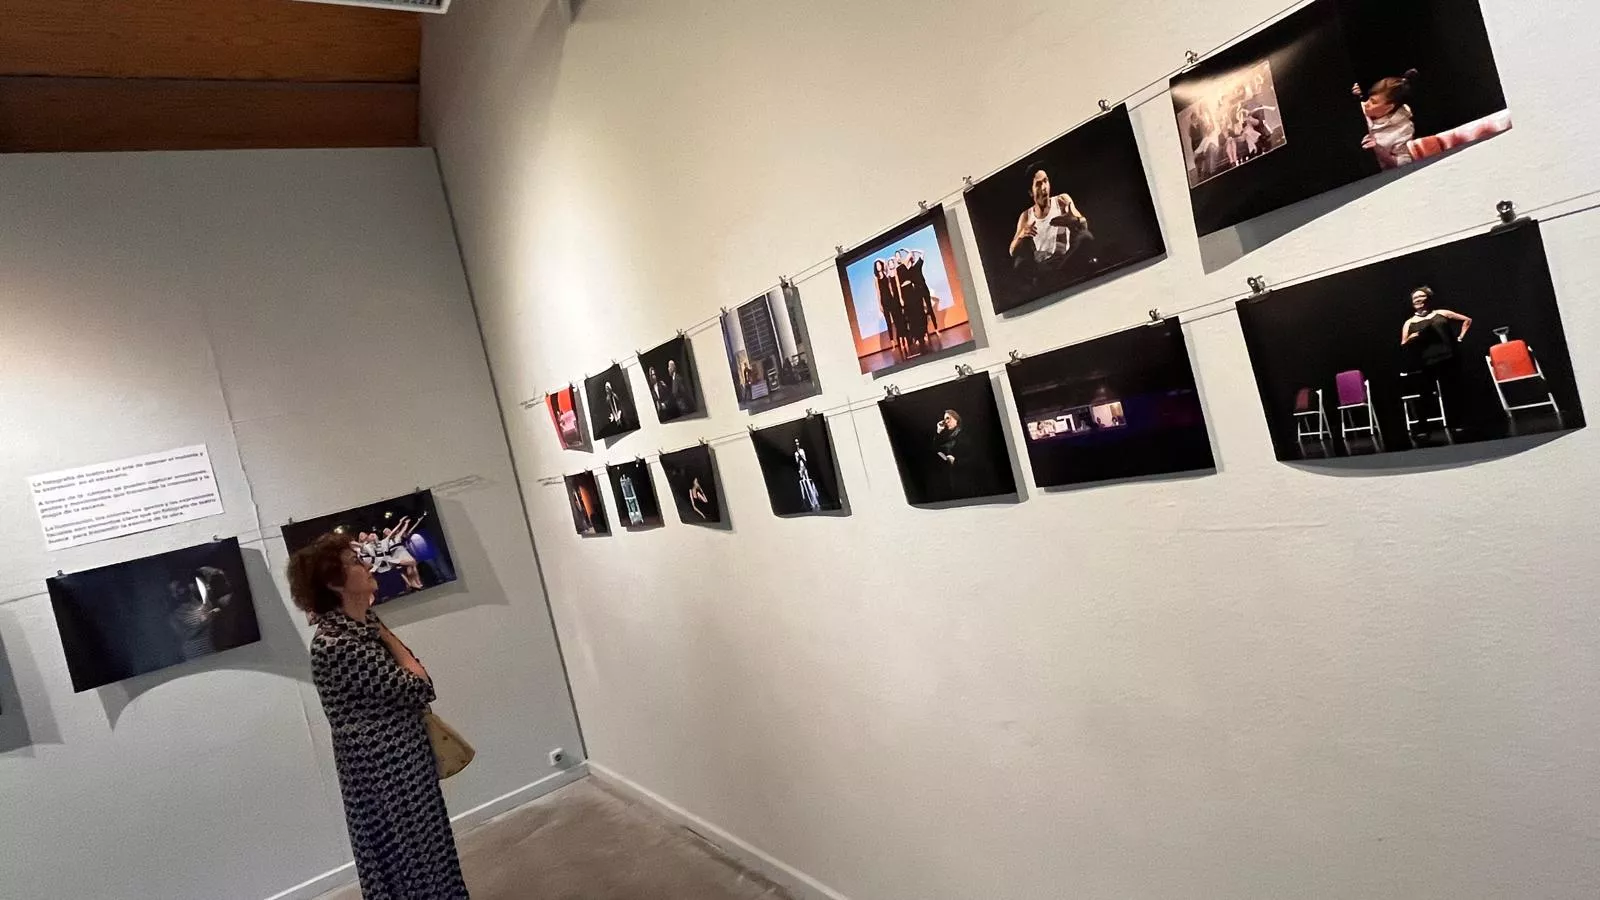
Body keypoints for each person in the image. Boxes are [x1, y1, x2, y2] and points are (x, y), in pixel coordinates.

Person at [289, 532, 470, 900]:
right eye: (355, 563)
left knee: (429, 846)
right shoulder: (338, 644)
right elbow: (420, 685)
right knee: (409, 856)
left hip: (403, 758)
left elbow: (411, 676)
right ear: (332, 582)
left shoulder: (361, 629)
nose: (368, 564)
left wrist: (380, 630)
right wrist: (387, 636)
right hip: (384, 771)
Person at [1400, 285, 1472, 439]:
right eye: (1415, 298)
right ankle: (1423, 428)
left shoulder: (1441, 313)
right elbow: (1404, 343)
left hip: (1448, 358)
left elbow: (1467, 320)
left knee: (1451, 392)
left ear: (1428, 298)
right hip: (1425, 362)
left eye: (1421, 296)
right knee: (1425, 395)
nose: (1418, 300)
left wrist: (1460, 337)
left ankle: (1457, 424)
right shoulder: (1409, 322)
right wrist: (1412, 338)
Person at [1009, 165, 1096, 289]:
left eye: (1046, 181)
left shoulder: (1061, 200)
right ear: (1031, 192)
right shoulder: (1026, 216)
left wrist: (1073, 220)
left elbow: (1084, 226)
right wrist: (1022, 234)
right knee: (1019, 263)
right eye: (1038, 184)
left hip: (1065, 260)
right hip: (1042, 266)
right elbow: (1012, 251)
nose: (1044, 187)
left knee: (1085, 237)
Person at [1353, 70, 1419, 169]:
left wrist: (1378, 150)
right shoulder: (1360, 108)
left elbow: (1403, 164)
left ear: (1389, 107)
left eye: (1373, 102)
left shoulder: (1404, 128)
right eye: (1369, 98)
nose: (1366, 103)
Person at [169, 566, 237, 660]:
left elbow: (222, 595)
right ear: (172, 595)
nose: (180, 591)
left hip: (212, 652)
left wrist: (218, 572)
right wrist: (207, 620)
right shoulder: (174, 617)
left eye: (180, 586)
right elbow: (186, 634)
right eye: (175, 590)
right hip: (194, 658)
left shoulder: (203, 603)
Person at [933, 409, 969, 497]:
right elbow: (936, 448)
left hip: (965, 476)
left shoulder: (964, 435)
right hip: (955, 475)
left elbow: (975, 457)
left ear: (956, 419)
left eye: (948, 418)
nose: (945, 422)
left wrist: (956, 461)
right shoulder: (952, 436)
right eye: (944, 419)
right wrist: (939, 431)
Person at [873, 259, 905, 357]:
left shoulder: (886, 273)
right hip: (884, 301)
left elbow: (890, 286)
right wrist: (879, 304)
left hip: (891, 300)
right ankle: (893, 344)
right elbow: (878, 292)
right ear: (875, 268)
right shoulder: (876, 277)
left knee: (896, 320)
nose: (879, 266)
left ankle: (901, 340)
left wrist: (880, 261)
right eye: (877, 265)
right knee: (888, 323)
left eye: (879, 265)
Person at [794, 438, 822, 512]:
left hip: (803, 464)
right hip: (800, 465)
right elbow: (797, 460)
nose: (797, 444)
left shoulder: (802, 450)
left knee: (805, 472)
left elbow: (804, 458)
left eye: (797, 443)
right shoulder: (796, 453)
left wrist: (802, 458)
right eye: (796, 443)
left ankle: (806, 477)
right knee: (802, 473)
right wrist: (799, 459)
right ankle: (804, 477)